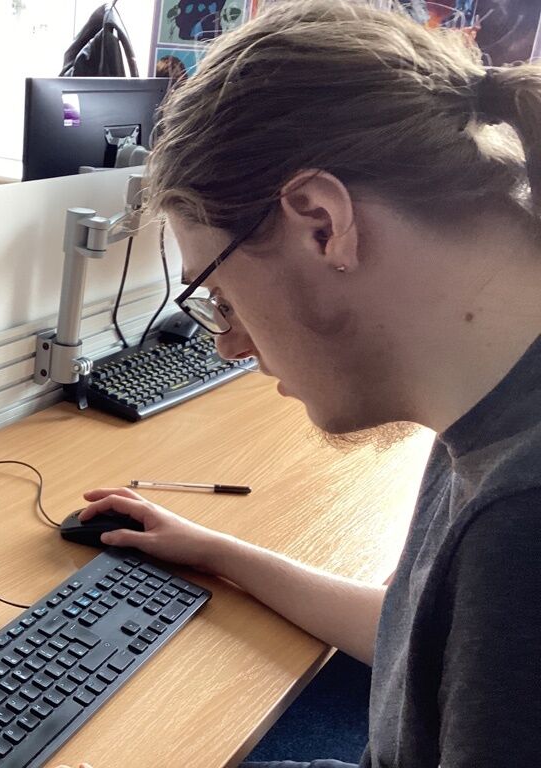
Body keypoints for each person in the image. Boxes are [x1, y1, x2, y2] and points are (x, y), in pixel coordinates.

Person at [57, 0, 541, 766]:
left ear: (322, 223)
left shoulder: (523, 519)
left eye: (220, 296)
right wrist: (217, 552)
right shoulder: (491, 396)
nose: (229, 346)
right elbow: (414, 634)